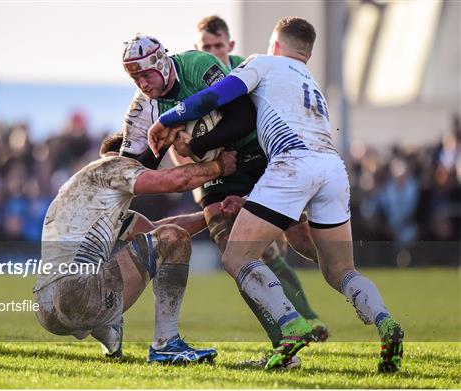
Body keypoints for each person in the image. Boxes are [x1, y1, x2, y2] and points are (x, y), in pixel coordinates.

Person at [148, 17, 404, 372]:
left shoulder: (263, 63)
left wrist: (168, 118)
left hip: (292, 163)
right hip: (332, 169)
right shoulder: (309, 81)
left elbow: (215, 96)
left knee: (237, 257)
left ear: (276, 45)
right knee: (340, 270)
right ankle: (384, 321)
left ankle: (289, 325)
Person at [120, 33, 329, 347]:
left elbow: (243, 116)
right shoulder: (141, 110)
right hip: (216, 175)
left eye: (146, 74)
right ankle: (285, 339)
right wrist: (111, 161)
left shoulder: (199, 65)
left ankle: (344, 271)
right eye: (134, 78)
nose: (143, 84)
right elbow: (135, 167)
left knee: (300, 236)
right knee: (233, 250)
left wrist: (199, 145)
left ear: (162, 63)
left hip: (253, 151)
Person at [34, 133, 237, 364]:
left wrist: (212, 214)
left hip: (45, 308)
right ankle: (166, 344)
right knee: (173, 238)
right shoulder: (113, 165)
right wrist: (219, 166)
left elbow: (156, 233)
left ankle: (109, 335)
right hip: (78, 294)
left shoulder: (88, 197)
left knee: (168, 239)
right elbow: (177, 184)